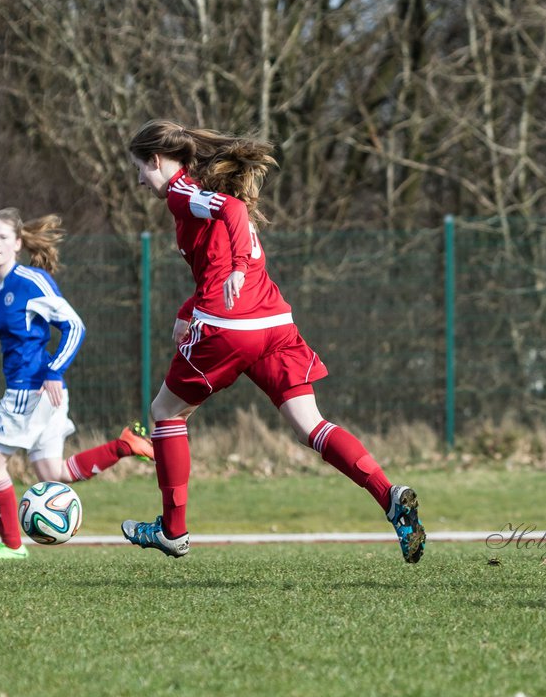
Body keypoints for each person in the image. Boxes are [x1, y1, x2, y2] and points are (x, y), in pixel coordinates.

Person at [121, 120, 426, 563]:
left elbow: (232, 214)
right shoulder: (197, 196)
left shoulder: (182, 192)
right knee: (311, 426)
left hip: (230, 328)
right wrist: (187, 311)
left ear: (157, 160)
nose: (139, 180)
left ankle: (173, 530)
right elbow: (215, 264)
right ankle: (389, 495)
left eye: (140, 169)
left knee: (164, 412)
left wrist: (239, 268)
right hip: (274, 324)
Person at [0, 208, 154, 560]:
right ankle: (124, 445)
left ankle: (11, 546)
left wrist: (54, 370)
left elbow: (75, 326)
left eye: (3, 237)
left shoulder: (31, 282)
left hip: (31, 389)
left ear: (18, 244)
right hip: (43, 394)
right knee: (52, 472)